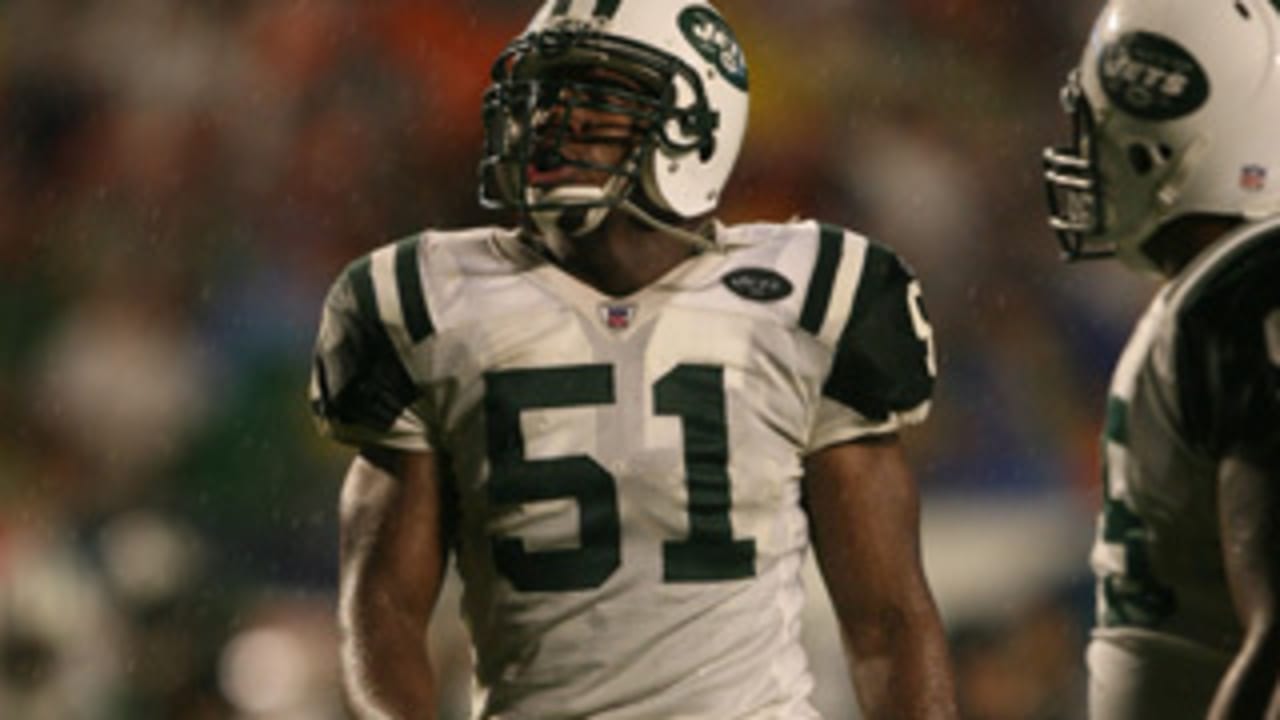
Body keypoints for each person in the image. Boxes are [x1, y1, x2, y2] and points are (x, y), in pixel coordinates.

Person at [309, 0, 958, 717]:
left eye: (594, 96)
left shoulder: (814, 295)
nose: (555, 121)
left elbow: (888, 620)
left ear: (695, 120)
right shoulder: (425, 301)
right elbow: (384, 607)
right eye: (543, 96)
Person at [1043, 1, 1280, 717]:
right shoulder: (1224, 292)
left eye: (1100, 127)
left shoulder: (1243, 299)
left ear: (1158, 144)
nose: (1084, 152)